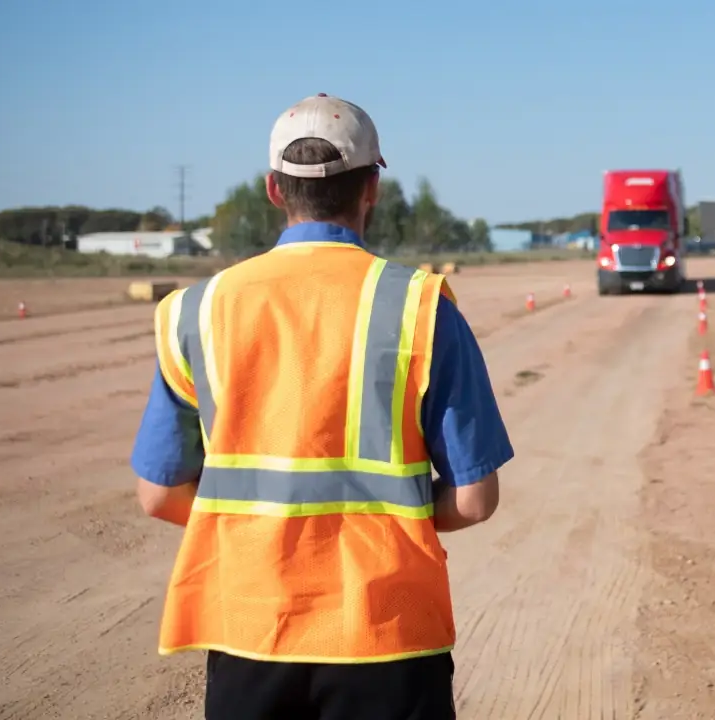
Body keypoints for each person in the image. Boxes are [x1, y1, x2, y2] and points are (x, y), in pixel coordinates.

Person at [130, 93, 513, 720]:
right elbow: (475, 499)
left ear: (274, 190)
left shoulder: (194, 311)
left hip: (248, 631)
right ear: (373, 189)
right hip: (388, 635)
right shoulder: (421, 307)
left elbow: (158, 494)